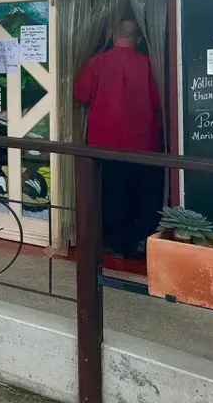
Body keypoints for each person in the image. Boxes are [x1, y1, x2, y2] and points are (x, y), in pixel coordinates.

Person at [75, 19, 163, 258]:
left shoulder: (98, 62)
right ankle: (139, 243)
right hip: (142, 144)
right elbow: (157, 102)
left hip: (105, 144)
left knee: (111, 194)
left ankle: (114, 243)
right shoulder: (146, 63)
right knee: (141, 195)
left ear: (113, 34)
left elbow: (81, 94)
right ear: (139, 39)